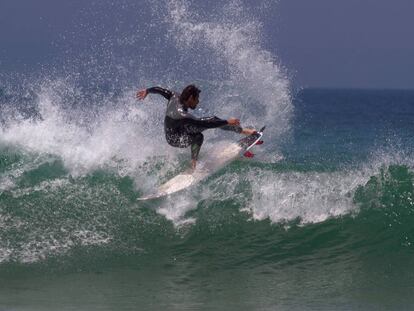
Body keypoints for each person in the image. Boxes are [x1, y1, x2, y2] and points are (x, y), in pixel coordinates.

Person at [136, 84, 255, 169]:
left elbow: (159, 89)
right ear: (191, 98)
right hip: (174, 139)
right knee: (198, 136)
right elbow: (204, 124)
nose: (198, 102)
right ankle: (193, 164)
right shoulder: (182, 114)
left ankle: (244, 131)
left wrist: (147, 90)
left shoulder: (174, 95)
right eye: (196, 99)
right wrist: (228, 121)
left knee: (213, 119)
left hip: (182, 129)